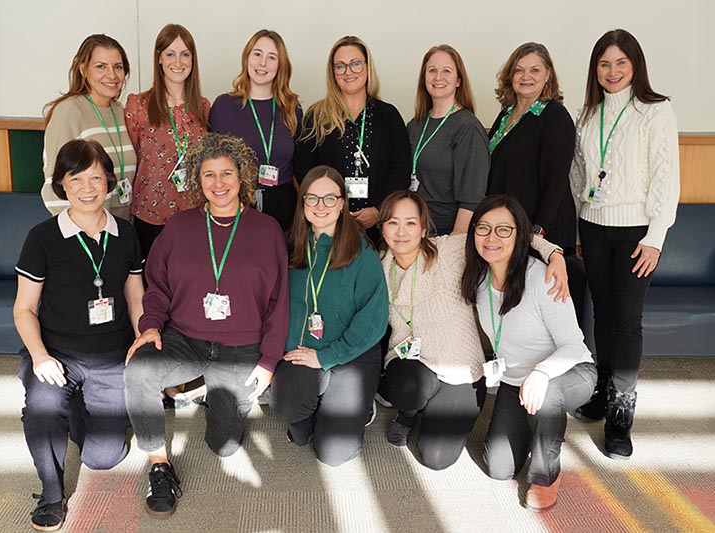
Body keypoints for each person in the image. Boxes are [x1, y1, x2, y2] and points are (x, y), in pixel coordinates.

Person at [123, 134, 289, 516]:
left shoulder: (266, 230)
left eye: (227, 173)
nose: (219, 183)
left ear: (242, 176)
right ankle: (159, 466)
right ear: (197, 181)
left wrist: (268, 361)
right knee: (139, 371)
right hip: (186, 338)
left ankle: (212, 394)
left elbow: (279, 303)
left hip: (241, 346)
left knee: (225, 445)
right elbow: (158, 287)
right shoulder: (179, 226)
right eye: (209, 174)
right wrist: (150, 326)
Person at [378, 191, 567, 471]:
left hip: (461, 371)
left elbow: (507, 237)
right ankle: (406, 415)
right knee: (408, 389)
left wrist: (555, 253)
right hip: (412, 365)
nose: (401, 232)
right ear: (382, 226)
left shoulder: (449, 250)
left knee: (436, 458)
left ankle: (433, 409)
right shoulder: (378, 265)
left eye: (410, 223)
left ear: (424, 227)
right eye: (393, 223)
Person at [13, 139, 144, 531]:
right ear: (62, 185)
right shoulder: (42, 238)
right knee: (42, 403)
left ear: (109, 182)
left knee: (104, 456)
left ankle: (74, 404)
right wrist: (39, 356)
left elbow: (135, 295)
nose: (88, 188)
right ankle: (52, 492)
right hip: (57, 353)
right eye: (77, 179)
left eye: (96, 178)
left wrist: (140, 341)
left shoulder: (126, 234)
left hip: (110, 354)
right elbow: (24, 309)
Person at [569, 29, 679, 460]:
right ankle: (603, 386)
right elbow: (578, 176)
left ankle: (621, 410)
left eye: (620, 63)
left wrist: (656, 238)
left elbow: (665, 177)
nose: (612, 72)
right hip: (593, 227)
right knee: (603, 310)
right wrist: (579, 230)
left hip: (637, 231)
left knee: (627, 320)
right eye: (603, 64)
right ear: (594, 70)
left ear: (635, 66)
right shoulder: (586, 114)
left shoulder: (655, 111)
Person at [460, 195, 596, 512]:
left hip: (569, 371)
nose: (492, 238)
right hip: (515, 379)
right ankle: (538, 424)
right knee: (498, 468)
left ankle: (545, 475)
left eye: (504, 230)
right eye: (483, 228)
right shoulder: (477, 277)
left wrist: (541, 373)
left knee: (547, 397)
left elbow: (575, 346)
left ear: (520, 235)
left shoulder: (543, 278)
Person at [269, 166, 388, 466]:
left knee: (333, 454)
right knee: (288, 406)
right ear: (303, 203)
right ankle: (314, 407)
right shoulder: (289, 246)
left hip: (352, 354)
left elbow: (373, 321)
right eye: (312, 198)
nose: (320, 206)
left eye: (329, 198)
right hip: (303, 348)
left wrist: (327, 357)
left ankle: (356, 407)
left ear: (342, 203)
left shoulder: (362, 252)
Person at [486, 43, 584, 323]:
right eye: (519, 70)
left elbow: (557, 178)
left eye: (534, 70)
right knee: (518, 306)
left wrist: (540, 227)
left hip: (542, 228)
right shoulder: (506, 114)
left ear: (548, 75)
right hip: (510, 225)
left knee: (547, 309)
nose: (526, 76)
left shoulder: (554, 116)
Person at [294, 35, 410, 244]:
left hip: (380, 225)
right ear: (333, 72)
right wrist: (330, 207)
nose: (349, 72)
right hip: (328, 223)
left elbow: (400, 168)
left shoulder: (388, 115)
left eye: (356, 64)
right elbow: (305, 169)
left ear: (367, 67)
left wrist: (378, 210)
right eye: (341, 66)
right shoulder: (316, 116)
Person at [126, 23, 210, 255]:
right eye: (170, 54)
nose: (178, 62)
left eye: (185, 55)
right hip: (150, 214)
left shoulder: (202, 107)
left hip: (194, 212)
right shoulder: (138, 105)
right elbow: (134, 155)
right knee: (152, 284)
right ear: (159, 58)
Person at [210, 29, 301, 233]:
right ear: (247, 58)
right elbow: (212, 161)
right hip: (236, 202)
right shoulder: (223, 106)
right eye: (257, 54)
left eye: (271, 57)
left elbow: (301, 166)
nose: (262, 63)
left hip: (283, 208)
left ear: (280, 65)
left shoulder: (292, 109)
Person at [42, 34, 137, 220]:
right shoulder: (69, 112)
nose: (112, 75)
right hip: (86, 232)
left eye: (117, 67)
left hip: (120, 228)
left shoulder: (121, 111)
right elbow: (54, 186)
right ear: (83, 69)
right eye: (101, 66)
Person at [407, 45, 489, 235]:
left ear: (458, 80)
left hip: (447, 229)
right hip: (415, 226)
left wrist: (455, 238)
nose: (438, 77)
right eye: (432, 70)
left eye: (446, 71)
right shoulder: (416, 124)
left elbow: (473, 195)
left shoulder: (467, 127)